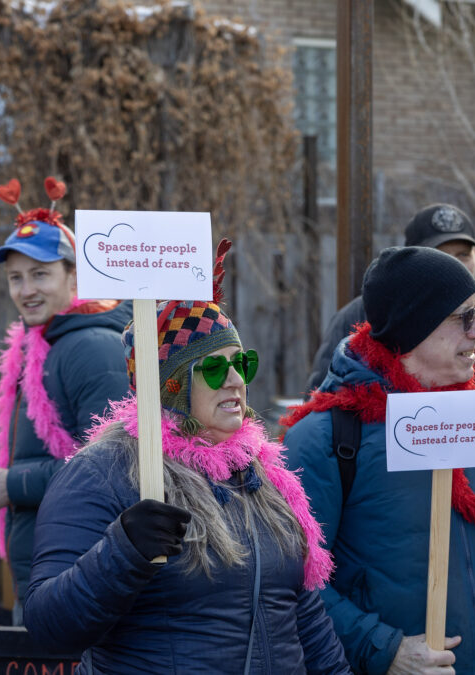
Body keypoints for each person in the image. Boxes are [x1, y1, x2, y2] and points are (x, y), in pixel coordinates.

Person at [23, 240, 351, 673]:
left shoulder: (260, 472)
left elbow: (303, 616)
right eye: (214, 369)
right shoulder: (105, 470)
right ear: (170, 387)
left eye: (242, 363)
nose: (235, 380)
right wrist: (122, 552)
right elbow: (49, 626)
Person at [282, 246, 475, 674]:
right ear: (413, 328)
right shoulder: (327, 437)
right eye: (463, 316)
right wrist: (385, 651)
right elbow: (296, 579)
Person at [0, 177, 131, 622]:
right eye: (15, 278)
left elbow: (117, 467)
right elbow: (44, 456)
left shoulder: (91, 348)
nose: (26, 290)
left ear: (74, 275)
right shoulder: (44, 345)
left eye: (40, 274)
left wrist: (15, 485)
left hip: (84, 582)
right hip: (53, 577)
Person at [305, 204, 475, 433]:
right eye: (440, 253)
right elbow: (324, 406)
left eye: (464, 254)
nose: (456, 264)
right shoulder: (360, 317)